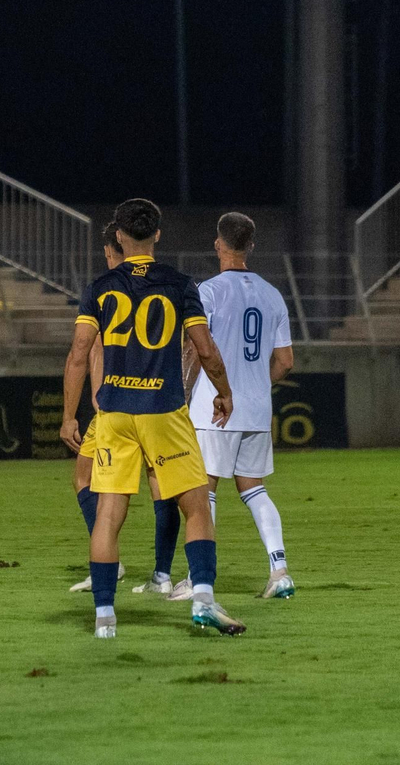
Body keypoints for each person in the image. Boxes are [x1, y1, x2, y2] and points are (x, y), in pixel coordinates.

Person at [59, 197, 244, 638]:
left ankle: (105, 619)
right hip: (163, 410)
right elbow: (204, 347)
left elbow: (79, 354)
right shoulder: (180, 284)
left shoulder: (100, 287)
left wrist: (69, 416)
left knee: (108, 514)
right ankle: (203, 600)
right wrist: (224, 392)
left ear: (119, 236)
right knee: (196, 506)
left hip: (114, 413)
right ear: (157, 234)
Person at [67, 222, 182, 598]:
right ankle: (161, 575)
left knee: (90, 481)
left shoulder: (107, 290)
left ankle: (110, 568)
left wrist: (87, 402)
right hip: (158, 402)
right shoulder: (165, 285)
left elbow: (89, 349)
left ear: (114, 248)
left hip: (116, 407)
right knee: (160, 486)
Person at [185, 212, 296, 598]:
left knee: (203, 491)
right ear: (250, 246)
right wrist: (255, 387)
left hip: (214, 408)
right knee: (254, 489)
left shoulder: (209, 292)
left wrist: (186, 393)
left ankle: (198, 579)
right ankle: (280, 570)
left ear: (218, 244)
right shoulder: (272, 294)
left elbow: (198, 348)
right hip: (256, 409)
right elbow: (285, 361)